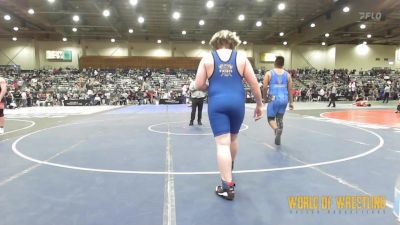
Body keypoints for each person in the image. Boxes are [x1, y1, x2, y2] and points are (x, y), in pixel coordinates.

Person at [194, 30, 263, 200]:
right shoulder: (241, 58)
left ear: (215, 42)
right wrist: (259, 105)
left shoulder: (207, 58)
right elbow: (254, 85)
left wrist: (210, 87)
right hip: (237, 103)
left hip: (218, 103)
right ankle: (229, 167)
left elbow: (198, 84)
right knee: (233, 139)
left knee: (222, 144)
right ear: (233, 43)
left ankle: (227, 187)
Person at [262, 56, 294, 145]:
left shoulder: (269, 73)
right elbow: (290, 89)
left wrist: (264, 98)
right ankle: (278, 137)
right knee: (279, 119)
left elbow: (264, 87)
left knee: (270, 119)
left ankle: (276, 130)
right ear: (283, 64)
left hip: (273, 98)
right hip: (284, 99)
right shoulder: (288, 75)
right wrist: (291, 102)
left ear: (275, 63)